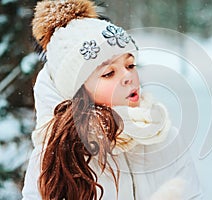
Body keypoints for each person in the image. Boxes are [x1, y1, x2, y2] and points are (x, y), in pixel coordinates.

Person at [22, 0, 202, 199]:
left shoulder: (165, 138)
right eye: (109, 73)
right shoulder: (57, 155)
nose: (127, 76)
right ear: (78, 92)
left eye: (130, 65)